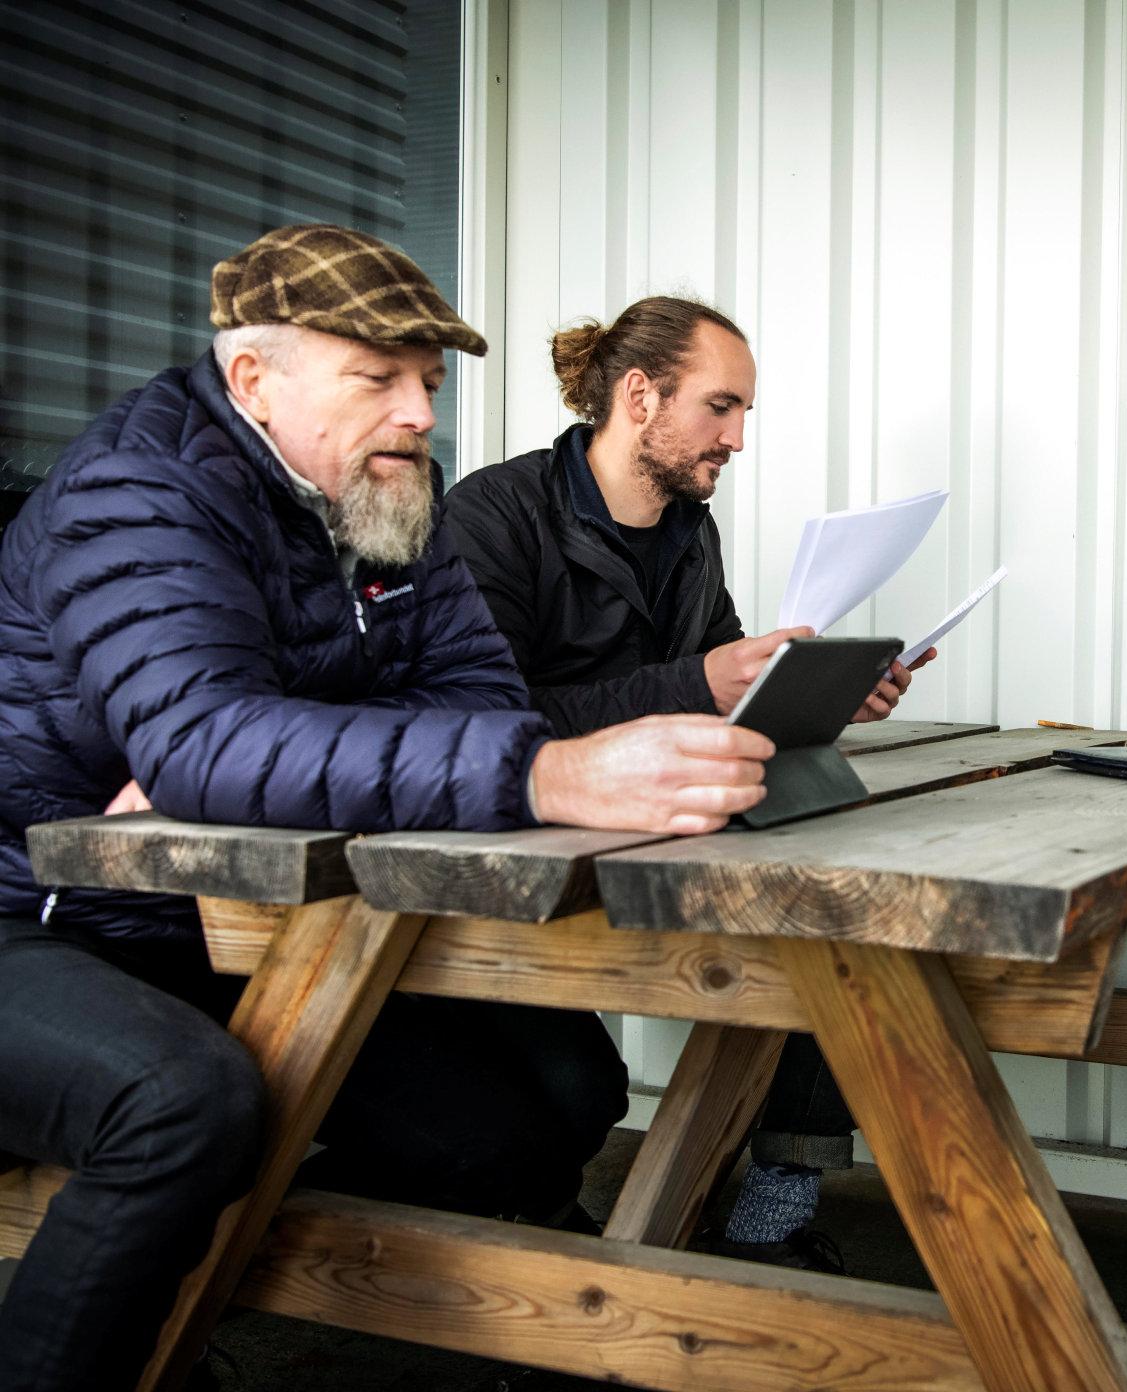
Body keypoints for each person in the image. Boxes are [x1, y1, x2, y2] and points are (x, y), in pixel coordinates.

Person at [0, 225, 774, 1392]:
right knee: (183, 1106)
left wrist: (262, 750)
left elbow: (476, 693)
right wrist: (544, 774)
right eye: (378, 377)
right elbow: (213, 740)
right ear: (253, 379)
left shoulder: (387, 492)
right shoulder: (136, 492)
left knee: (556, 1099)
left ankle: (257, 1317)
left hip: (223, 915)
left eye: (427, 380)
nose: (418, 410)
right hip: (47, 913)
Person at [443, 295, 929, 1273]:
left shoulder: (687, 529)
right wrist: (699, 683)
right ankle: (531, 1238)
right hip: (515, 844)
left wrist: (819, 693)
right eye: (722, 407)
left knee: (835, 885)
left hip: (660, 826)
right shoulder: (491, 517)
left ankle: (769, 1212)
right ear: (638, 395)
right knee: (573, 1091)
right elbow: (481, 720)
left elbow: (723, 679)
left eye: (745, 412)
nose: (739, 438)